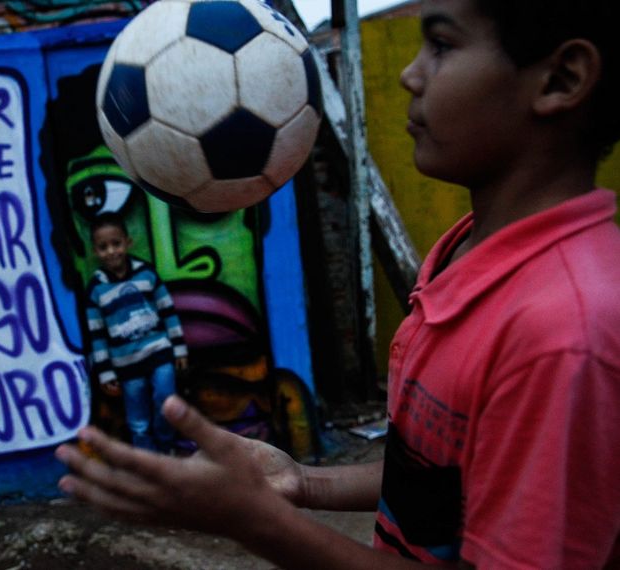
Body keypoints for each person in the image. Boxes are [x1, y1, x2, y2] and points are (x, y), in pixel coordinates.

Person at [55, 0, 620, 567]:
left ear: (561, 79)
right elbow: (453, 477)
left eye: (443, 45)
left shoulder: (565, 335)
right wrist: (301, 483)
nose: (410, 72)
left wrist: (257, 523)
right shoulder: (465, 253)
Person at [84, 212, 188, 453]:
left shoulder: (146, 274)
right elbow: (96, 334)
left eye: (116, 244)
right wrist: (105, 372)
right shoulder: (97, 289)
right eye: (103, 247)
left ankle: (166, 448)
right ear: (94, 251)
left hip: (159, 352)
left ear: (127, 243)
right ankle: (148, 463)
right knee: (137, 421)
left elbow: (168, 311)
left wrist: (179, 348)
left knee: (166, 401)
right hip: (127, 364)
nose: (111, 251)